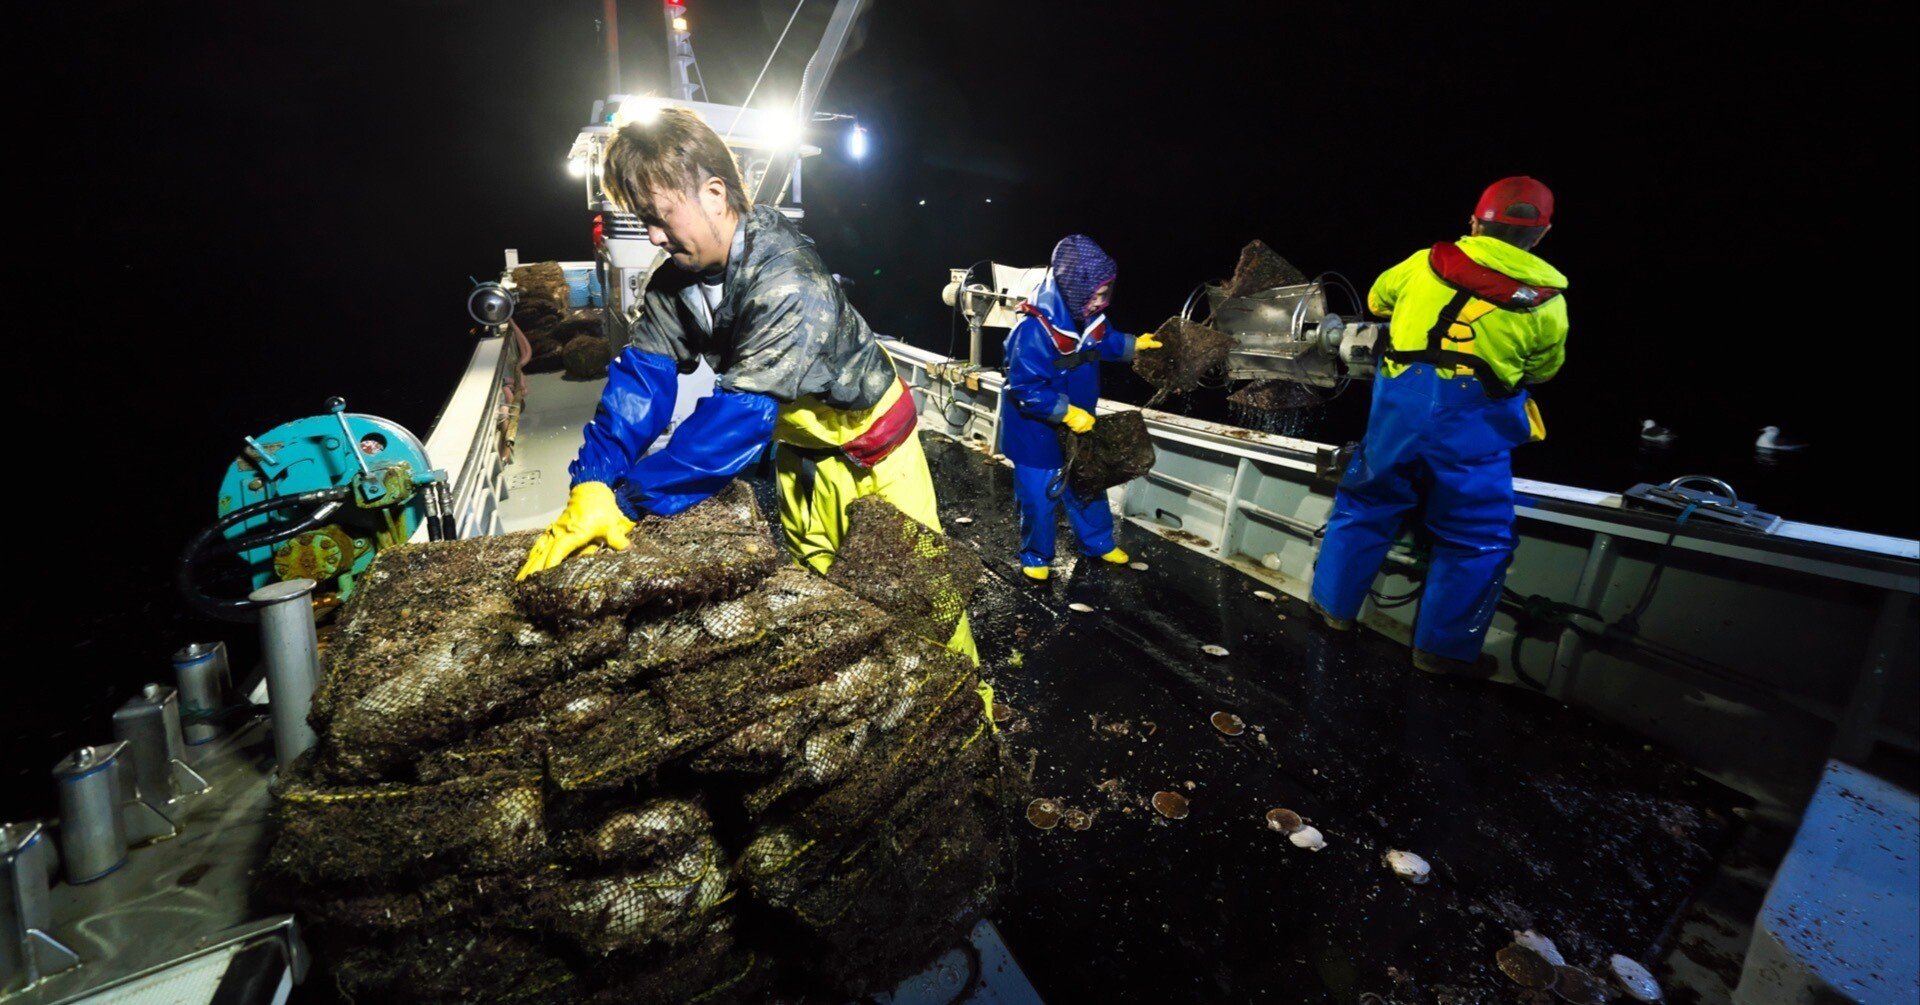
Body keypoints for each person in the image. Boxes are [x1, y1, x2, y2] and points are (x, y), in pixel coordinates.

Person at [515, 106, 975, 662]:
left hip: (873, 463)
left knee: (924, 612)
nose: (656, 237)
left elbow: (737, 421)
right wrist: (594, 480)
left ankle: (972, 723)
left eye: (660, 217)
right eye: (643, 221)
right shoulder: (673, 285)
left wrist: (628, 502)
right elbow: (643, 381)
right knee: (826, 599)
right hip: (799, 460)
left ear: (714, 192)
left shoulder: (787, 281)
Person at [1309, 176, 1569, 674]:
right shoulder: (1547, 302)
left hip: (1399, 411)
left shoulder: (1425, 261)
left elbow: (1378, 299)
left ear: (1475, 221)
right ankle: (1441, 653)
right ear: (1542, 234)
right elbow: (1543, 369)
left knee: (1366, 502)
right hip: (1473, 425)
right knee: (1476, 534)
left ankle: (1331, 612)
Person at [1000, 235, 1162, 581]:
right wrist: (1066, 413)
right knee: (1040, 498)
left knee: (1088, 485)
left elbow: (1107, 342)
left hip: (1081, 422)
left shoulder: (1090, 316)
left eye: (1107, 293)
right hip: (1036, 431)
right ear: (1075, 287)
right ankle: (1036, 555)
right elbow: (1024, 389)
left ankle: (1098, 543)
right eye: (1098, 294)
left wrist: (1136, 346)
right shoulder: (1032, 330)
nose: (1102, 302)